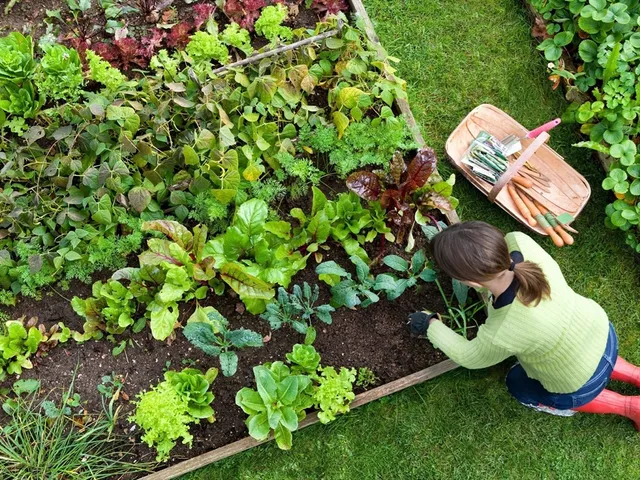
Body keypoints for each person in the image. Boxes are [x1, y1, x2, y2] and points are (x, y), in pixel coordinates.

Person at [408, 221, 640, 427]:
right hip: (601, 331)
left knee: (517, 384)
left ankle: (630, 407)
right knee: (585, 352)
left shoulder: (503, 329)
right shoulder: (521, 242)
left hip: (576, 380)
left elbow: (469, 356)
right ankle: (636, 374)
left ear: (469, 282)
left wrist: (430, 325)